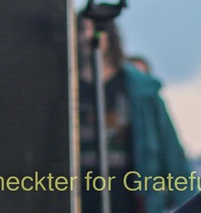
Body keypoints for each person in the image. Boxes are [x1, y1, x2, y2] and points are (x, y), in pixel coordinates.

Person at [77, 17, 191, 213]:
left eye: (95, 29)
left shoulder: (141, 90)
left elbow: (172, 155)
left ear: (109, 35)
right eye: (80, 29)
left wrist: (190, 203)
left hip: (131, 201)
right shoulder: (63, 88)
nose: (87, 36)